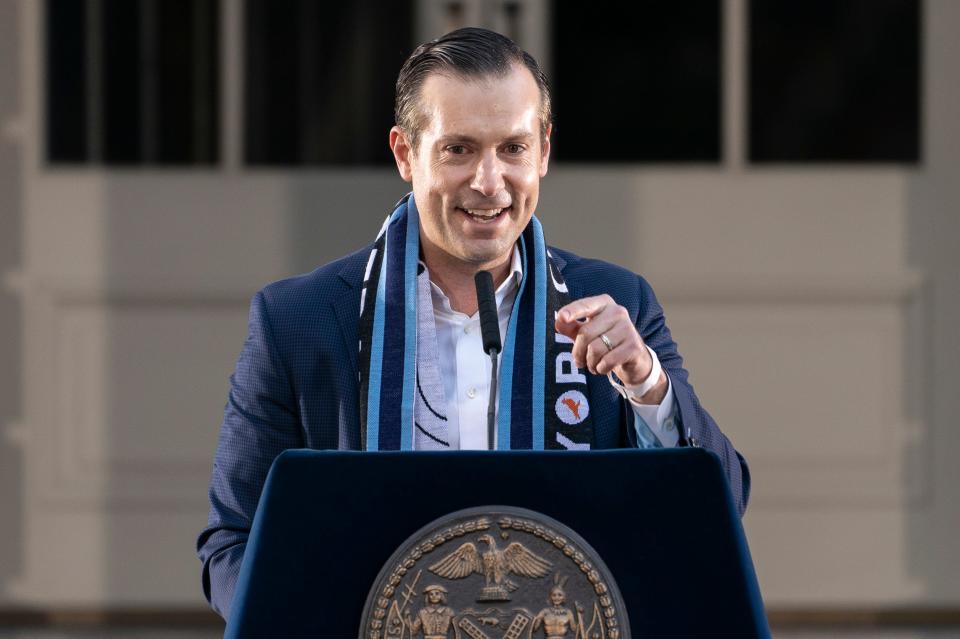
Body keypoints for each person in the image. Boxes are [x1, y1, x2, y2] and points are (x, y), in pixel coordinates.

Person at [197, 27, 750, 620]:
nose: (489, 182)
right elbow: (230, 547)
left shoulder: (617, 303)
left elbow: (722, 505)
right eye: (459, 149)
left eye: (512, 148)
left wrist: (648, 387)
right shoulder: (297, 321)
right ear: (405, 154)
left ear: (543, 151)